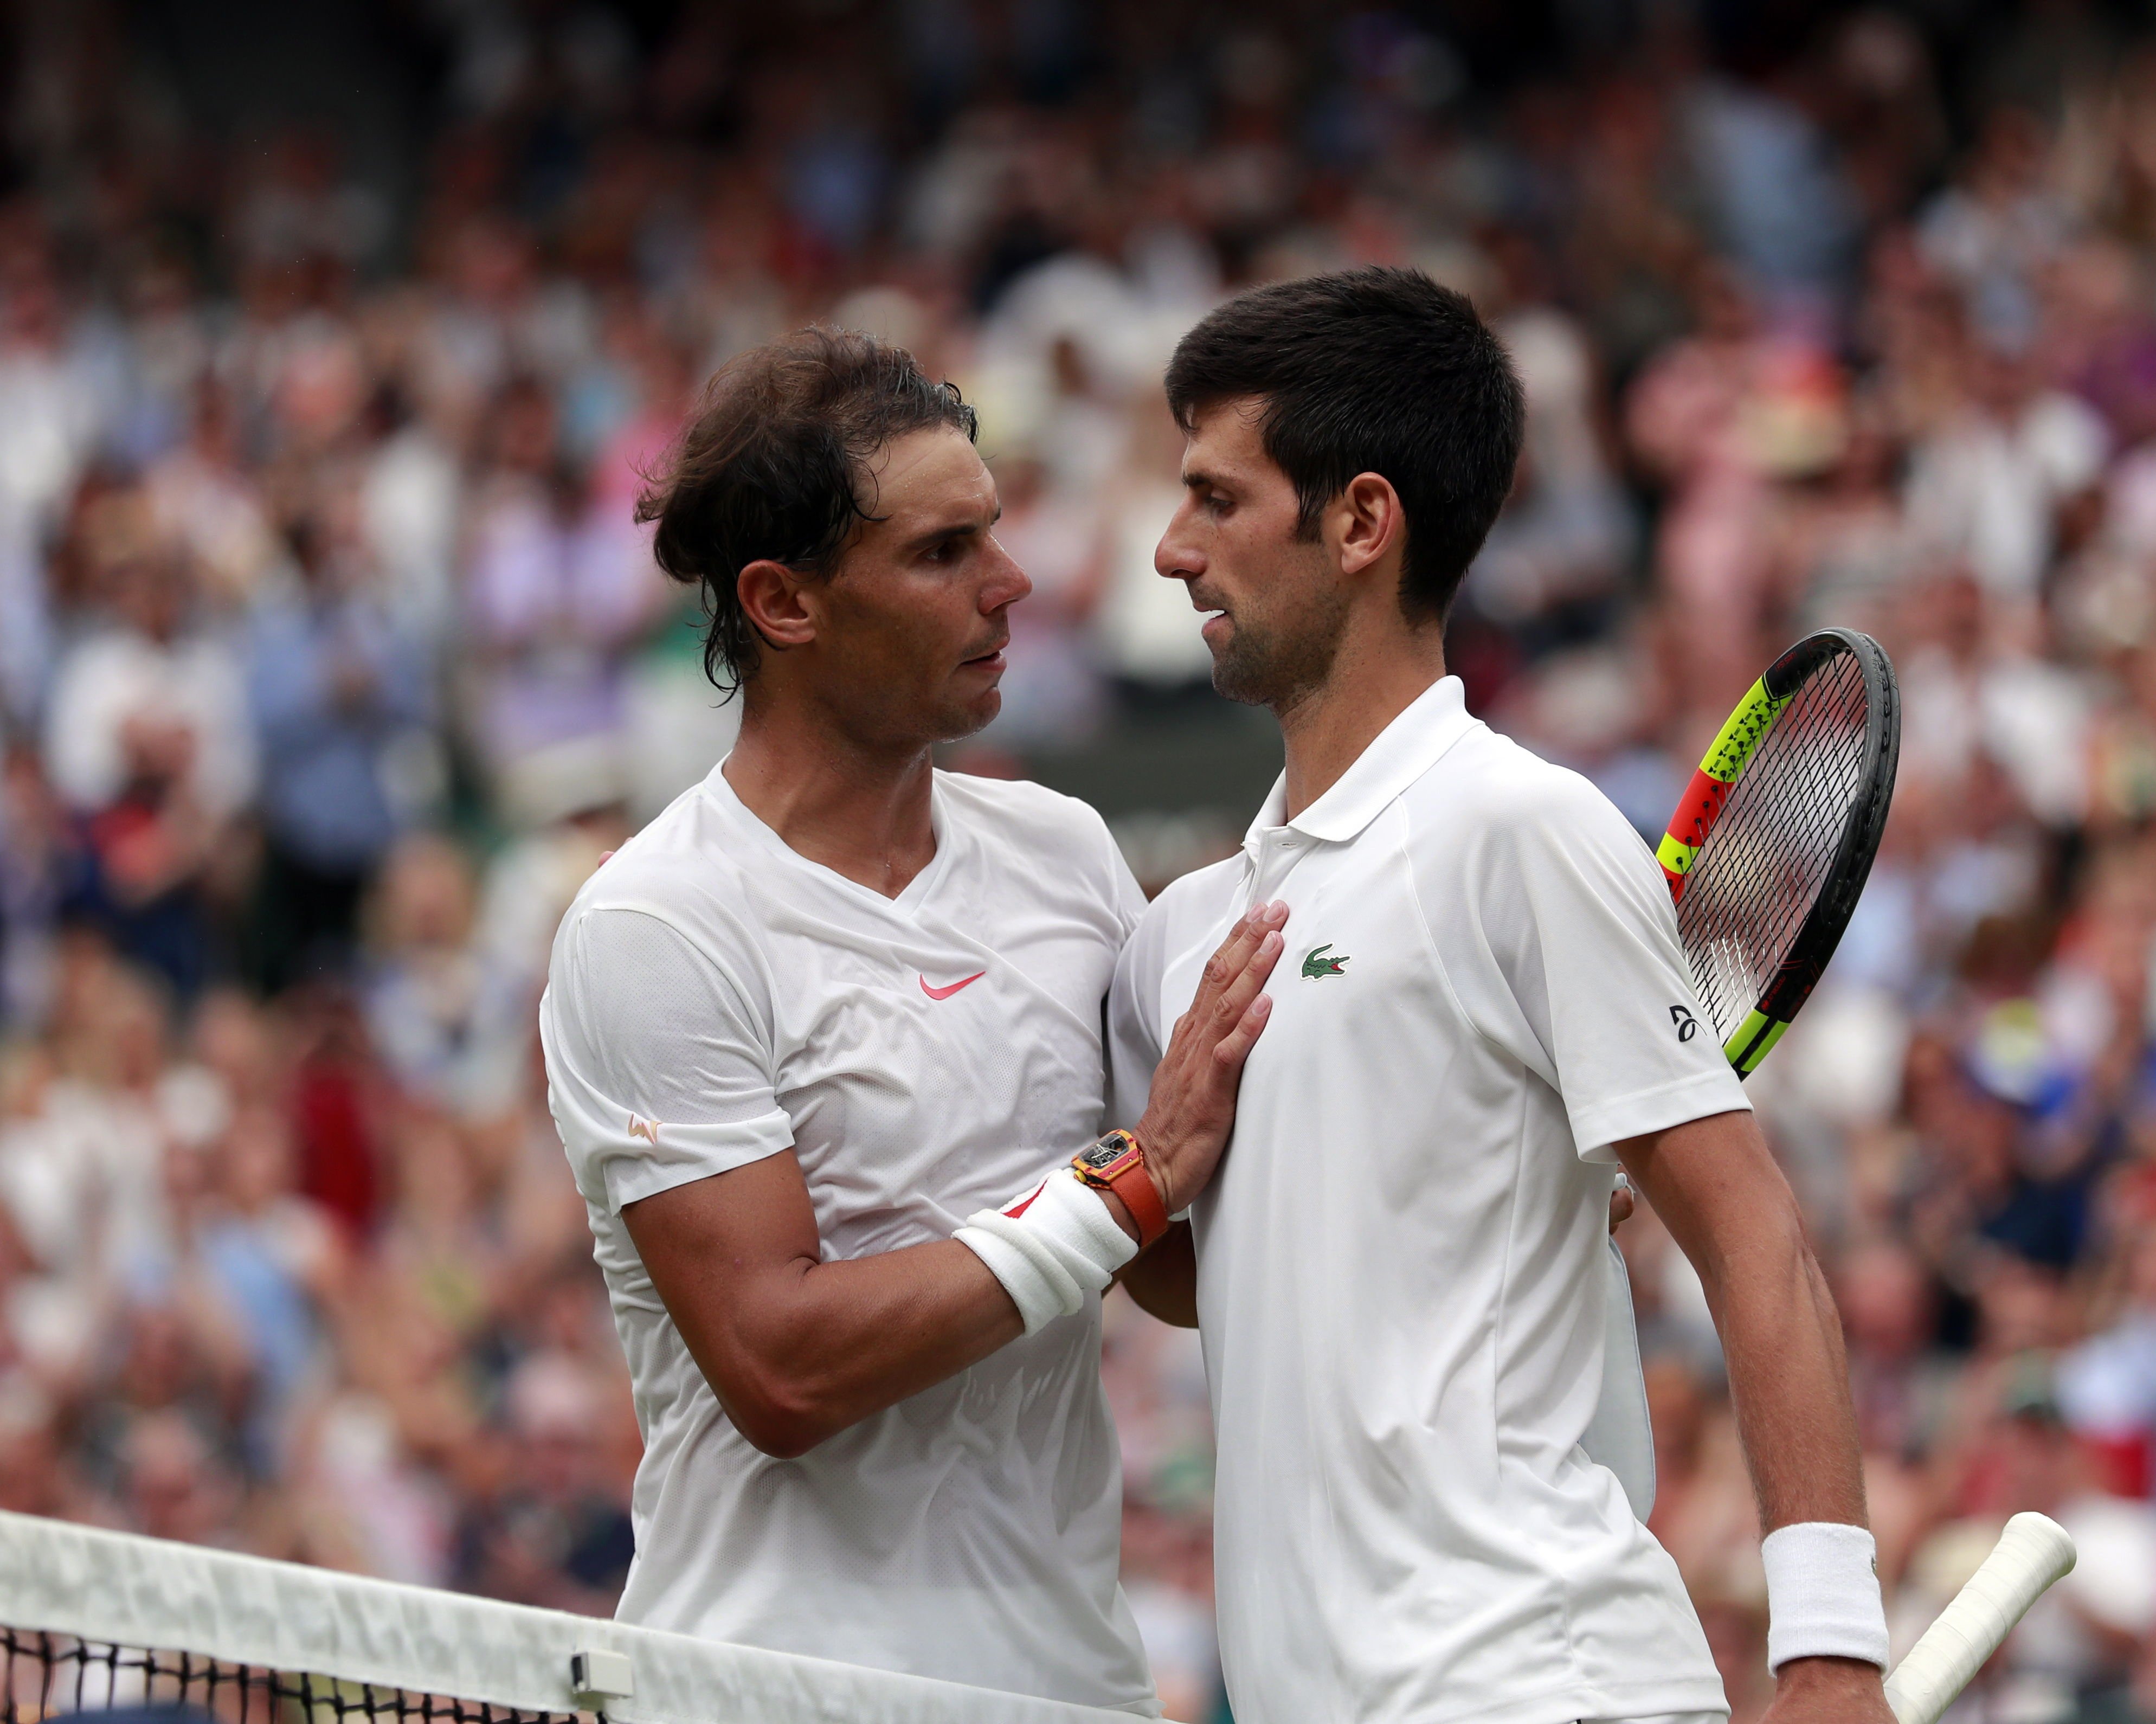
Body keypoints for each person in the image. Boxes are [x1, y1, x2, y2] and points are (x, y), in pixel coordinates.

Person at [1108, 268, 1895, 1724]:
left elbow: (1750, 1231)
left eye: (1216, 500)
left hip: (1536, 1679)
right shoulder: (1182, 938)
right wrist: (1145, 1172)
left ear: (1357, 520)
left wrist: (1829, 1653)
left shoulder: (1512, 829)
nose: (1169, 550)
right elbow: (1198, 1279)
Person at [536, 327, 1283, 1710]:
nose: (1012, 587)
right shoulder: (654, 928)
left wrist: (1471, 1184)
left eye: (993, 534)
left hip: (1066, 1690)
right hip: (770, 1695)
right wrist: (1127, 1186)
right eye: (943, 555)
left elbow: (1170, 1268)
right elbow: (783, 1368)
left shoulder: (1063, 852)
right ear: (784, 602)